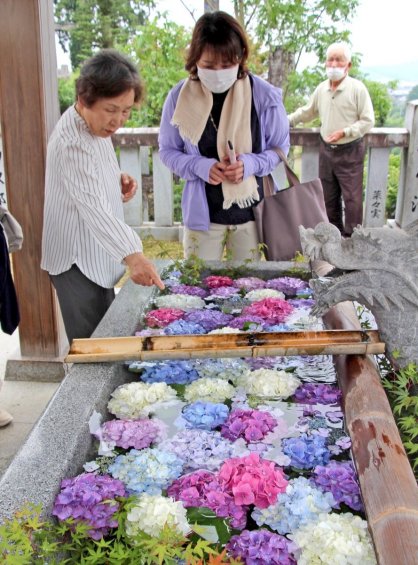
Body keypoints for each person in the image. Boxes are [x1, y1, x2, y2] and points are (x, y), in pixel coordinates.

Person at [41, 49, 164, 344]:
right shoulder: (72, 142)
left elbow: (89, 180)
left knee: (104, 335)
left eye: (126, 111)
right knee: (92, 348)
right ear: (85, 99)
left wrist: (116, 179)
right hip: (75, 260)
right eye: (112, 109)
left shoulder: (94, 127)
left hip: (96, 252)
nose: (118, 120)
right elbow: (92, 208)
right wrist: (134, 256)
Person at [159, 11, 290, 260]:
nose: (218, 72)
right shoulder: (179, 98)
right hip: (203, 216)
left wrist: (249, 165)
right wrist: (201, 166)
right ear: (195, 59)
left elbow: (280, 148)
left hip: (252, 214)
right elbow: (167, 151)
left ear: (240, 57)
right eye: (208, 65)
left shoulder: (264, 95)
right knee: (199, 288)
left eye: (227, 64)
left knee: (247, 289)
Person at [288, 42, 374, 237]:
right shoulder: (322, 89)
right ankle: (334, 239)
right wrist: (287, 120)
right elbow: (308, 112)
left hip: (350, 151)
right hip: (327, 150)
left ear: (348, 65)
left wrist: (346, 132)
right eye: (331, 60)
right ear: (326, 63)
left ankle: (353, 242)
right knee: (328, 198)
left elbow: (368, 120)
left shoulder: (357, 89)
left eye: (339, 60)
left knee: (352, 200)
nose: (334, 64)